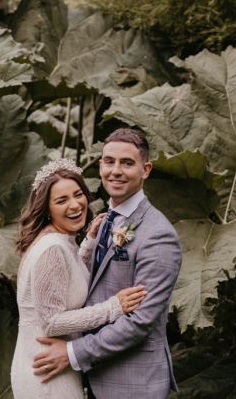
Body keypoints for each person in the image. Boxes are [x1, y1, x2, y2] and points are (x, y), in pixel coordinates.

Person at [32, 129, 182, 399]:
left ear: (145, 169)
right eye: (109, 161)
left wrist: (72, 353)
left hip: (133, 381)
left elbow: (140, 321)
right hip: (98, 374)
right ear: (100, 165)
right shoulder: (107, 220)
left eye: (127, 163)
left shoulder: (158, 234)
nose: (116, 171)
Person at [11, 158, 147, 399]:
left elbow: (68, 277)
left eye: (78, 194)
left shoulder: (56, 240)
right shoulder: (51, 248)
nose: (75, 205)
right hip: (46, 373)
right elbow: (51, 321)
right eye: (62, 200)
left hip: (46, 362)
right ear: (46, 208)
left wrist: (88, 243)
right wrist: (113, 307)